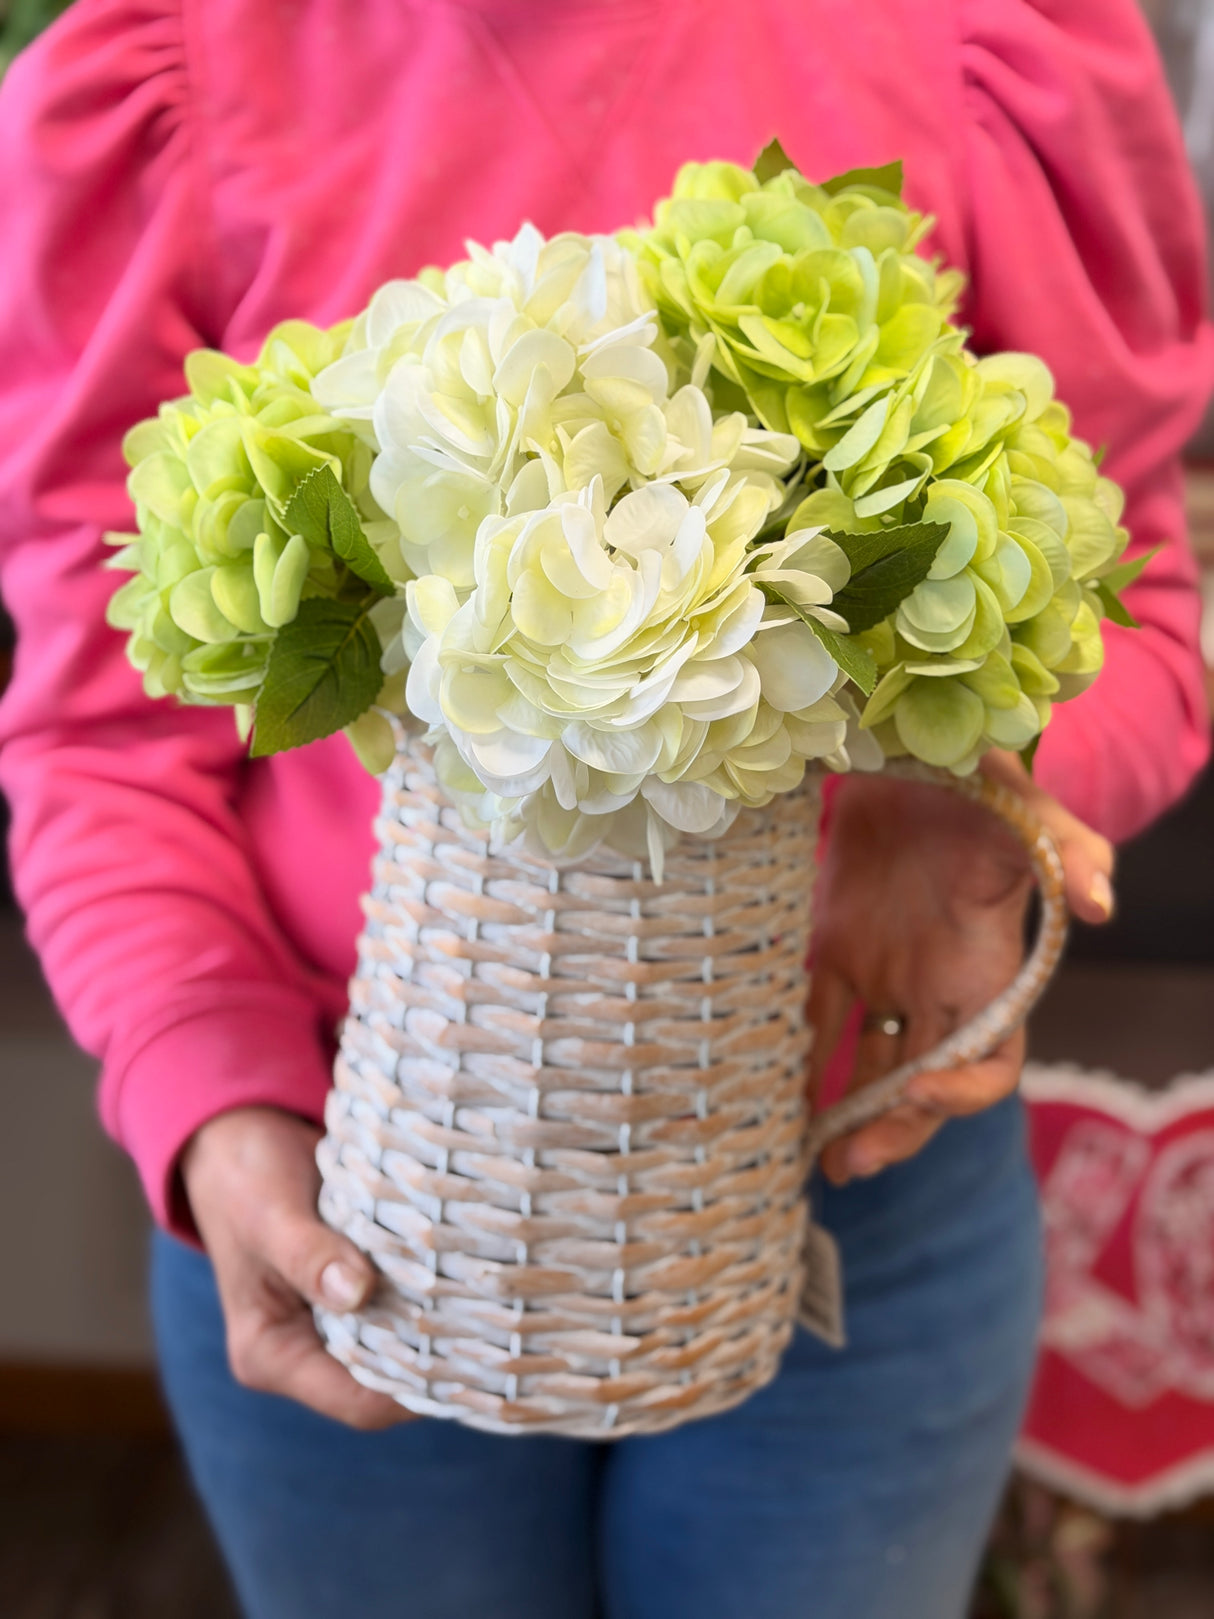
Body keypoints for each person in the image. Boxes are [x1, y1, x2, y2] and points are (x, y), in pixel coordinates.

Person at [0, 2, 1209, 1616]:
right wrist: (210, 1104)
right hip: (353, 1181)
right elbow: (102, 730)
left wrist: (972, 796)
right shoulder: (163, 72)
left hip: (851, 1176)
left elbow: (1134, 616)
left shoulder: (988, 38)